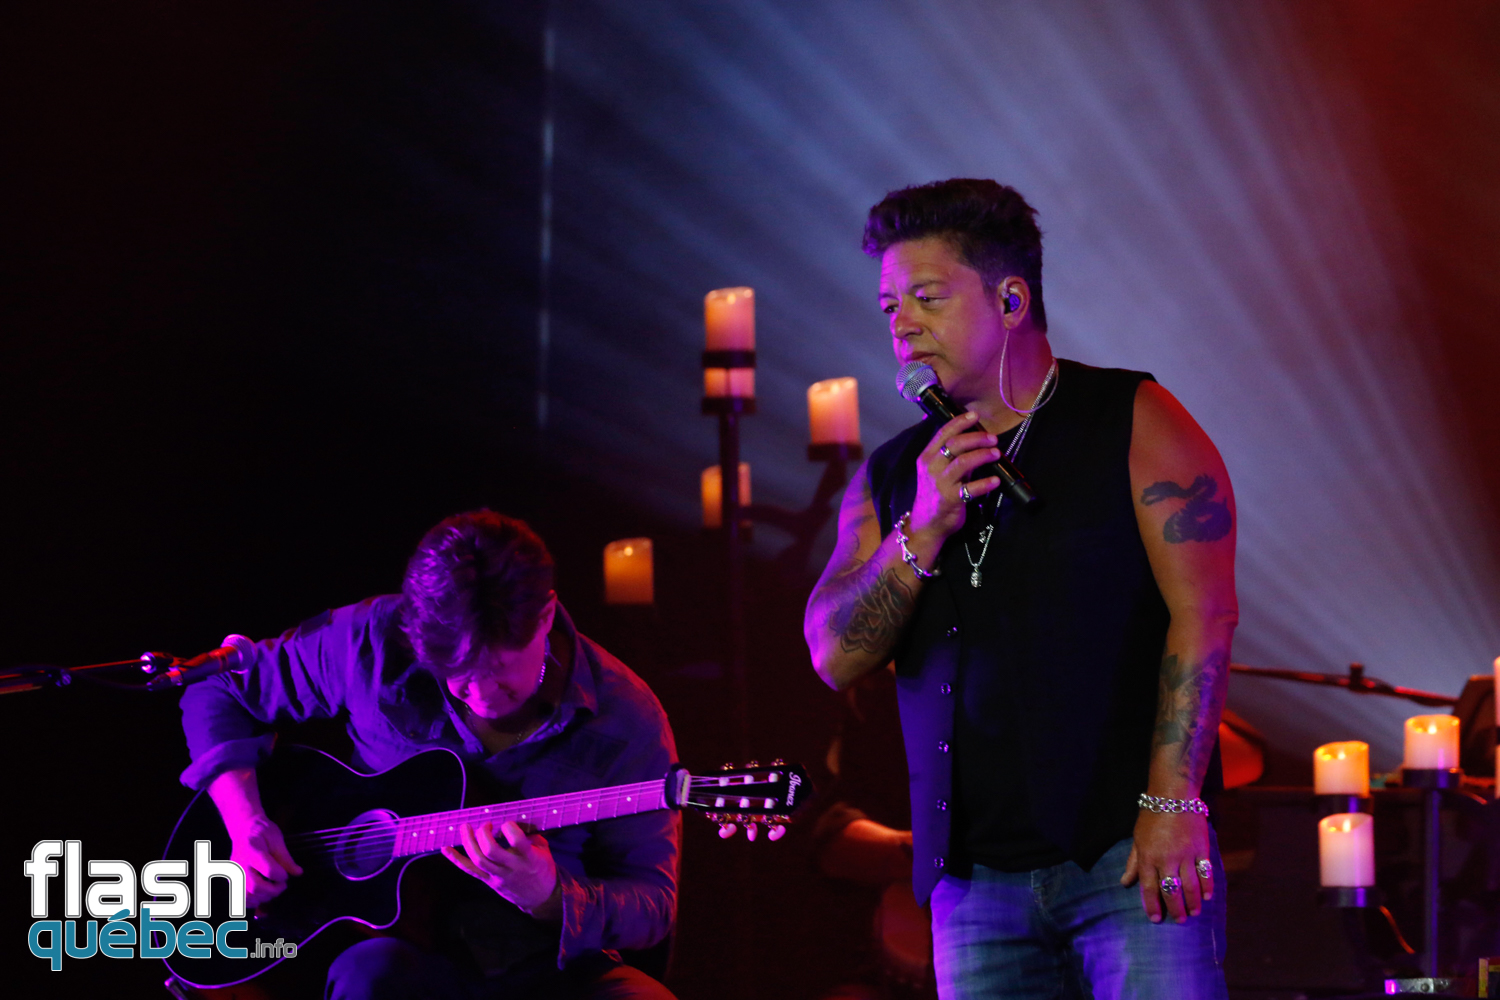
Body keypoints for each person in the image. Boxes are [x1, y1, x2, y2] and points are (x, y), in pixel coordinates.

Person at [804, 179, 1239, 999]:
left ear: (1010, 299)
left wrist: (1174, 804)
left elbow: (1205, 614)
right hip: (973, 883)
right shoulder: (895, 475)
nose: (901, 324)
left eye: (927, 296)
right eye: (890, 305)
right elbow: (833, 655)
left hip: (1127, 855)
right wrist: (921, 531)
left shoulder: (1132, 417)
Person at [179, 510, 679, 999]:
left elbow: (654, 903)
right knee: (370, 977)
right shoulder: (372, 640)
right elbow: (217, 688)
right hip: (395, 951)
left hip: (545, 964)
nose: (481, 697)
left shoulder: (626, 717)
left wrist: (549, 894)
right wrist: (246, 824)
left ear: (545, 616)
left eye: (500, 671)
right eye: (457, 676)